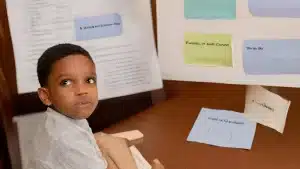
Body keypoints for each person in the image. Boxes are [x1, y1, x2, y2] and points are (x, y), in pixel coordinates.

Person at [27, 43, 164, 169]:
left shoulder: (62, 120)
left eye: (89, 80)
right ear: (46, 96)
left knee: (107, 141)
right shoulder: (68, 141)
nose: (82, 90)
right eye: (66, 82)